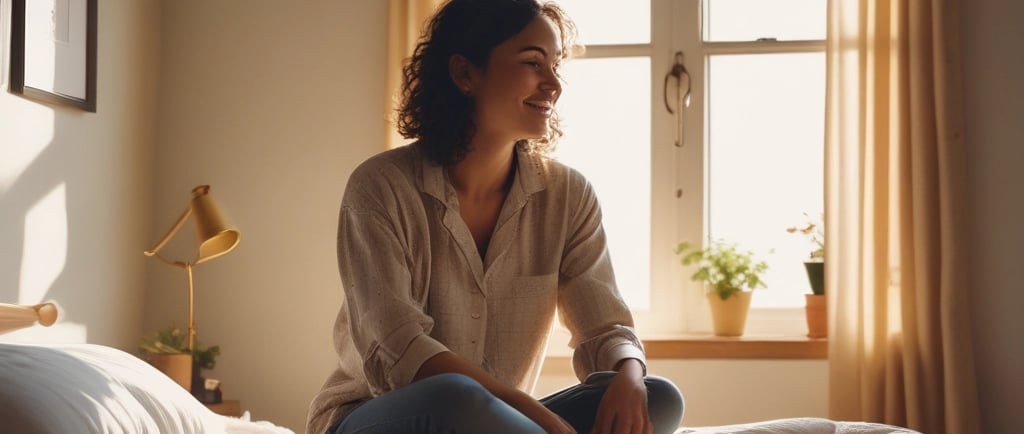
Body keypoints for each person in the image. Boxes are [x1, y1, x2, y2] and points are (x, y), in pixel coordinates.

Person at [306, 1, 684, 433]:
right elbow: (399, 349)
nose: (554, 84)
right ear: (465, 74)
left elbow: (605, 327)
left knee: (660, 397)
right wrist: (543, 419)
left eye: (556, 65)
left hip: (497, 421)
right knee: (456, 397)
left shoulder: (568, 195)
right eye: (532, 63)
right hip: (375, 415)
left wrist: (630, 376)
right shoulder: (380, 187)